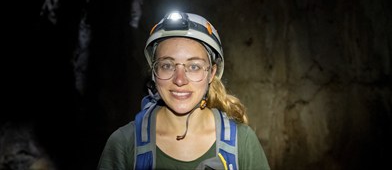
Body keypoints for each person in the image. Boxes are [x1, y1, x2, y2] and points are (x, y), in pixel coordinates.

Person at [97, 11, 270, 170]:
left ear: (211, 73)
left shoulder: (242, 144)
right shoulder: (124, 144)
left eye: (194, 66)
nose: (179, 80)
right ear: (154, 72)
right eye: (167, 65)